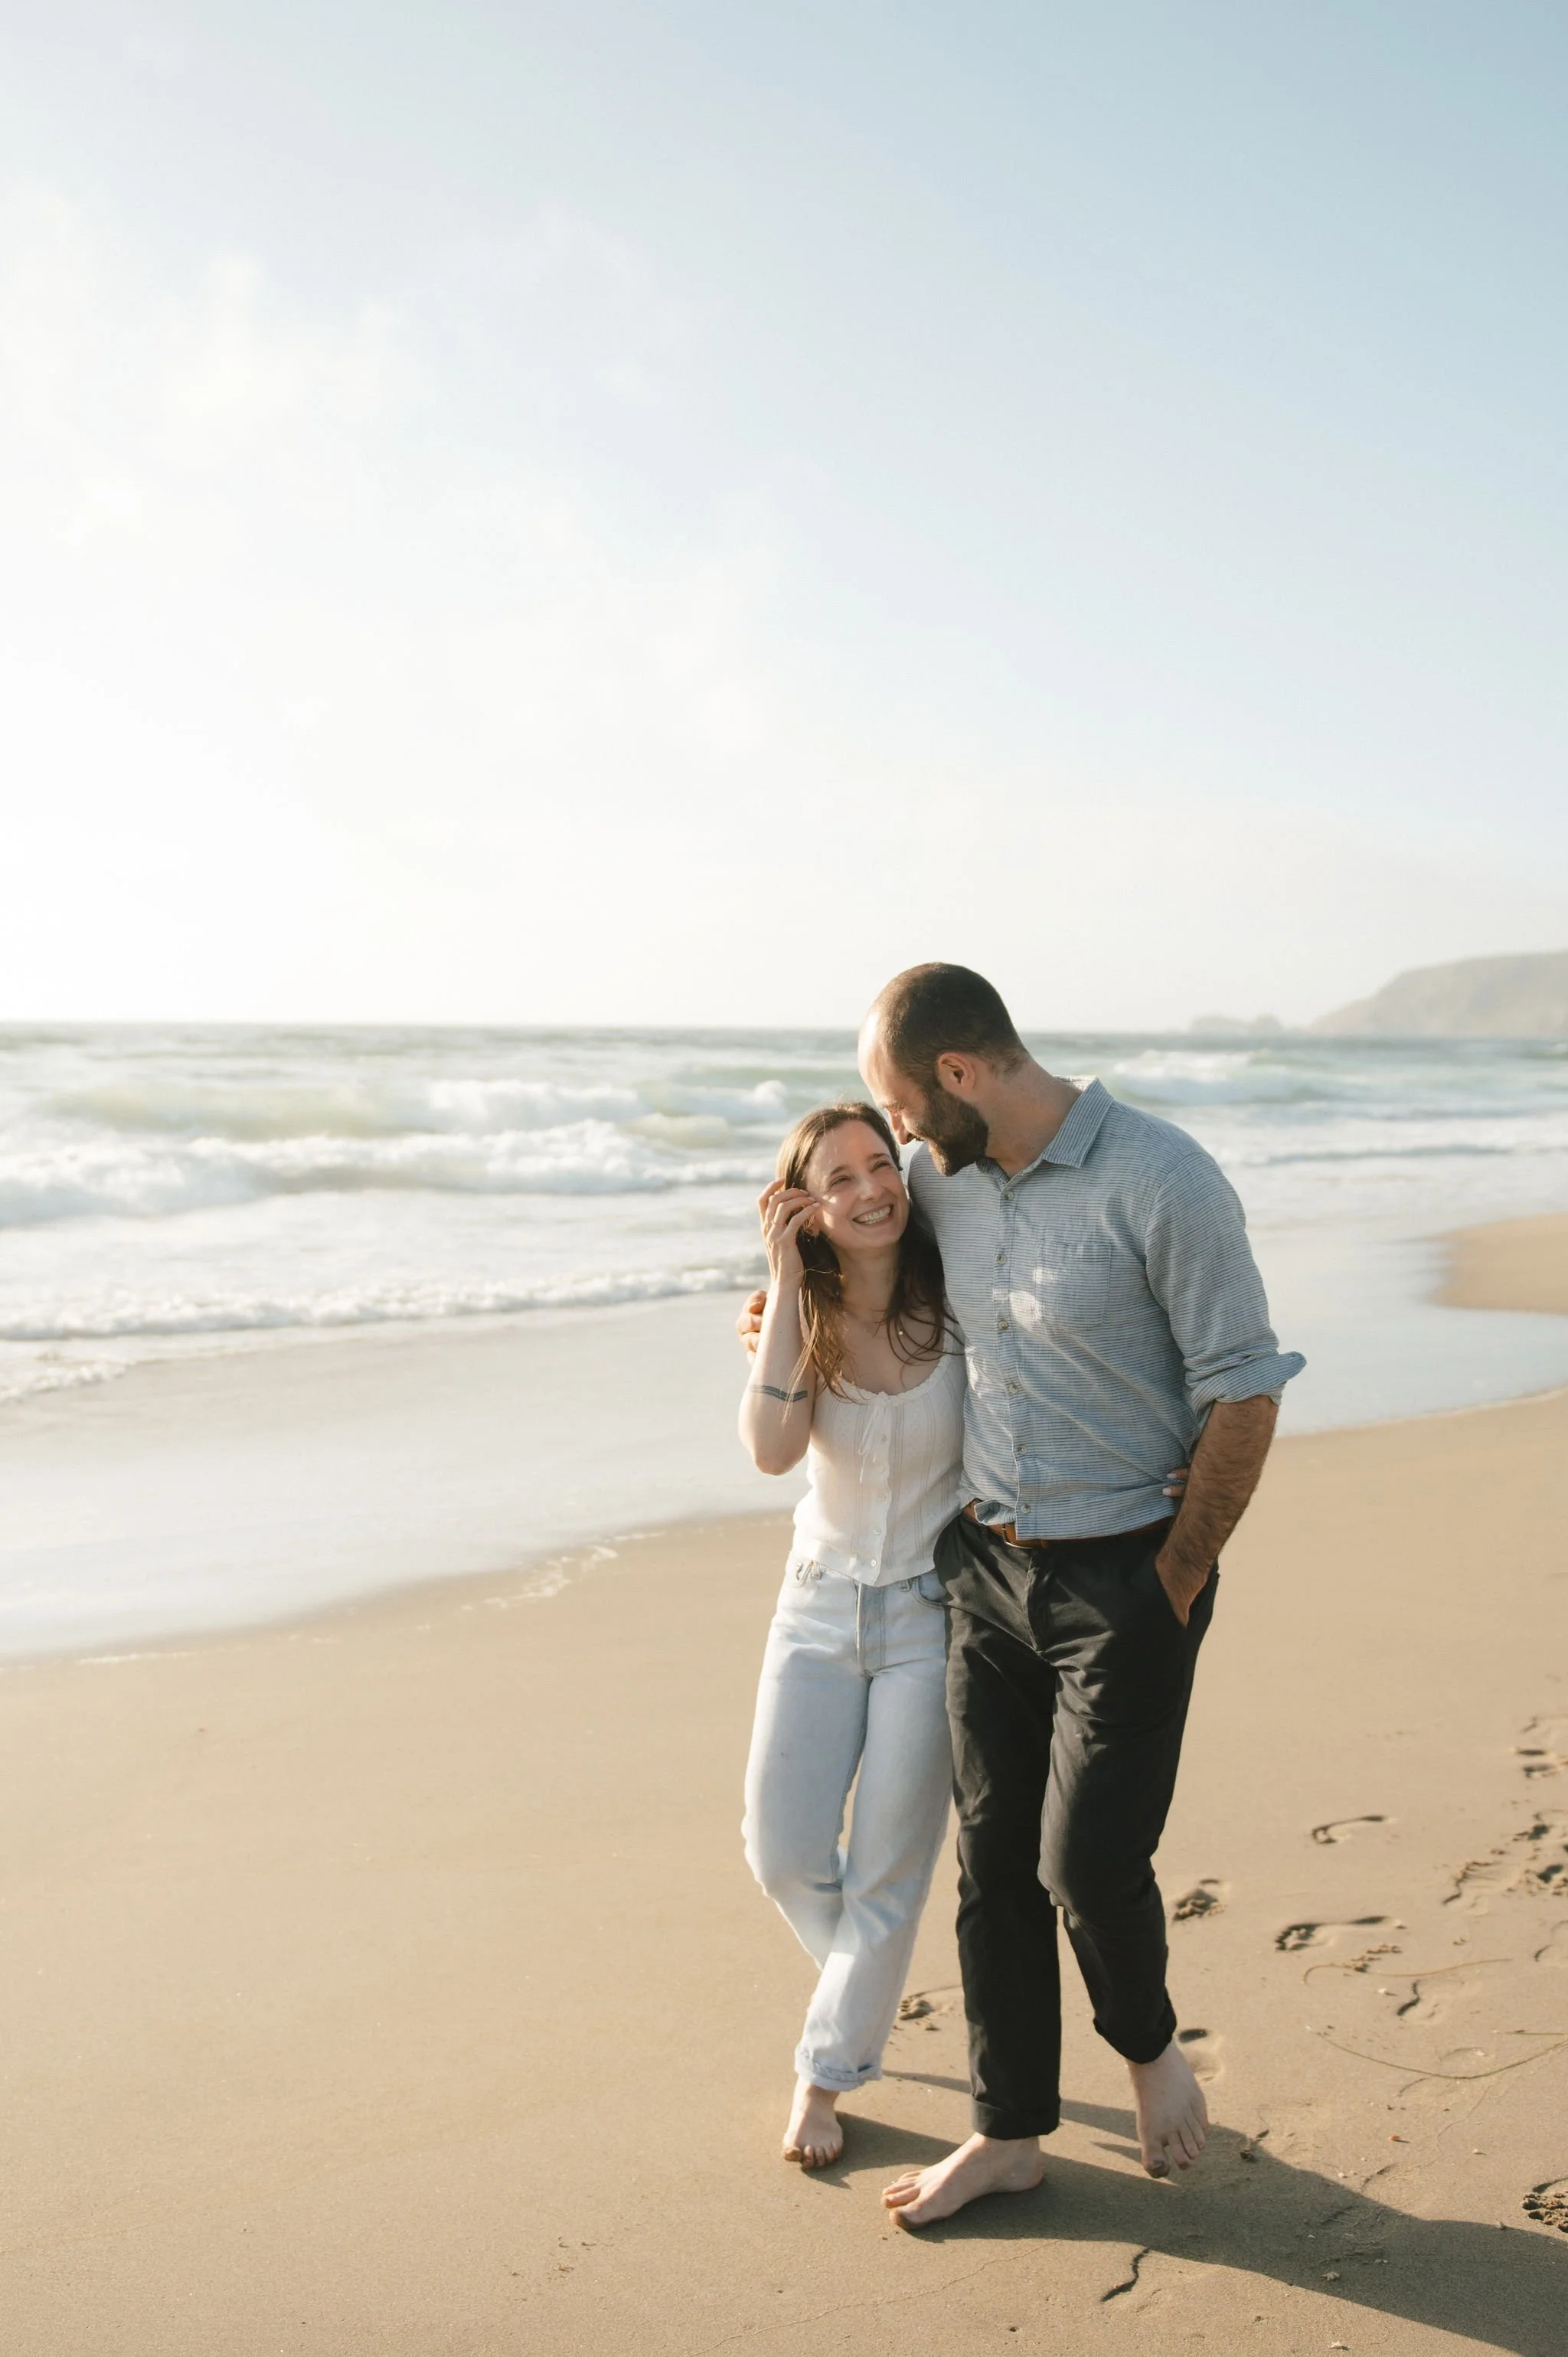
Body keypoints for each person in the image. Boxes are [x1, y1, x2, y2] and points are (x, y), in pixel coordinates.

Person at [742, 965, 1302, 2227]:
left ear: (956, 1077)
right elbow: (863, 1271)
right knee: (992, 1869)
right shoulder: (944, 1183)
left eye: (894, 1109)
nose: (889, 1145)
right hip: (983, 1567)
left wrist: (1172, 1577)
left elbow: (1247, 1390)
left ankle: (1150, 2047)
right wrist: (776, 1309)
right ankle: (1008, 2132)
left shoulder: (1163, 1179)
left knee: (1086, 1858)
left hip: (1130, 1572)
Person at [738, 1101, 963, 2170]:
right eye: (841, 1179)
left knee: (887, 1874)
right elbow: (771, 1450)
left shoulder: (958, 1304)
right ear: (808, 1209)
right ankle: (862, 1991)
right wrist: (783, 1284)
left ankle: (825, 2074)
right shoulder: (799, 1317)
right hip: (818, 1607)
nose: (873, 1188)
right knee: (779, 1850)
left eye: (883, 1164)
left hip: (932, 1617)